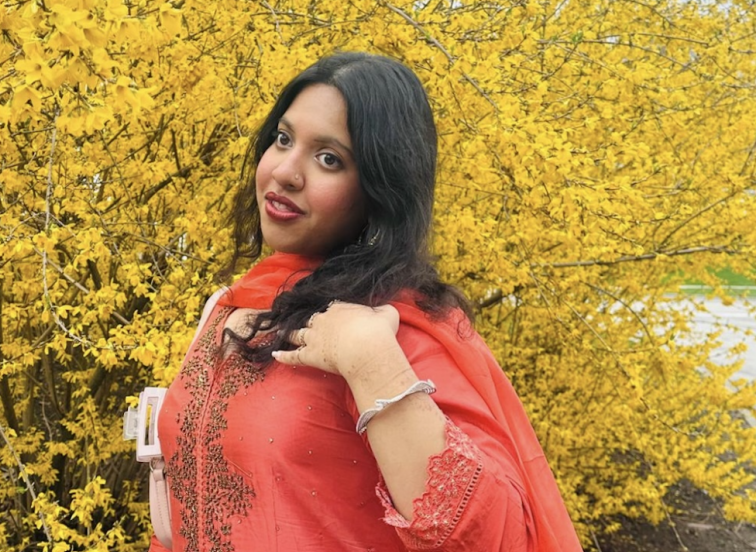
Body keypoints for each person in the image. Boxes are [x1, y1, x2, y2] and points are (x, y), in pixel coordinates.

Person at [147, 52, 582, 551]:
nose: (287, 171)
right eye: (283, 139)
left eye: (329, 158)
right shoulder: (231, 308)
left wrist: (375, 367)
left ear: (380, 191)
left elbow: (495, 537)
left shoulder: (396, 328)